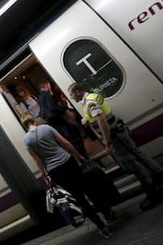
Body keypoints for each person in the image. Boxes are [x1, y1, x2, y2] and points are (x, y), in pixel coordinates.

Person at [68, 82, 163, 211]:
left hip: (116, 137)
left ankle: (153, 193)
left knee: (132, 163)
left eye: (72, 94)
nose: (72, 97)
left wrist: (107, 143)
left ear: (78, 92)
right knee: (139, 156)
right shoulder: (92, 98)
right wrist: (86, 118)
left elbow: (102, 121)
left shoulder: (89, 102)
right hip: (119, 132)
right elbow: (97, 114)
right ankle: (158, 180)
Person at [21, 115, 112, 239]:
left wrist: (45, 175)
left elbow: (38, 160)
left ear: (25, 125)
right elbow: (65, 142)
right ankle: (107, 213)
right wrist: (78, 155)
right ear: (34, 121)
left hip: (55, 171)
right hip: (68, 162)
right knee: (87, 188)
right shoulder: (46, 128)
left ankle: (102, 227)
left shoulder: (26, 140)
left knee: (79, 198)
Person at [38, 80, 87, 157]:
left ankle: (79, 156)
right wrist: (64, 111)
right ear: (46, 86)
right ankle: (83, 155)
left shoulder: (39, 97)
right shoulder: (46, 94)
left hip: (53, 122)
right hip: (59, 119)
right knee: (74, 137)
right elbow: (52, 107)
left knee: (68, 139)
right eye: (49, 86)